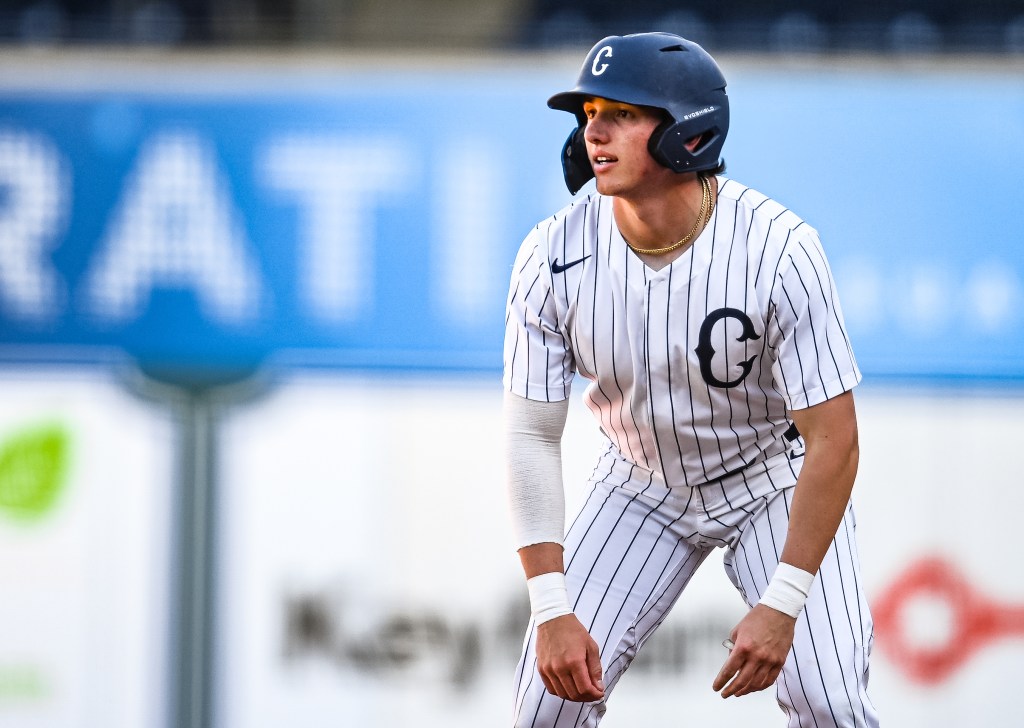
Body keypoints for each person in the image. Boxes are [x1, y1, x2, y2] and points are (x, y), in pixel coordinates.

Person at [502, 32, 879, 727]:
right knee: (542, 713)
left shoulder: (779, 249)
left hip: (770, 477)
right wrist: (550, 606)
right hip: (639, 484)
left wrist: (785, 598)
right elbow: (530, 434)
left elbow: (835, 440)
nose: (596, 130)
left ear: (689, 133)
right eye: (589, 112)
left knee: (831, 701)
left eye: (623, 112)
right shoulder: (551, 254)